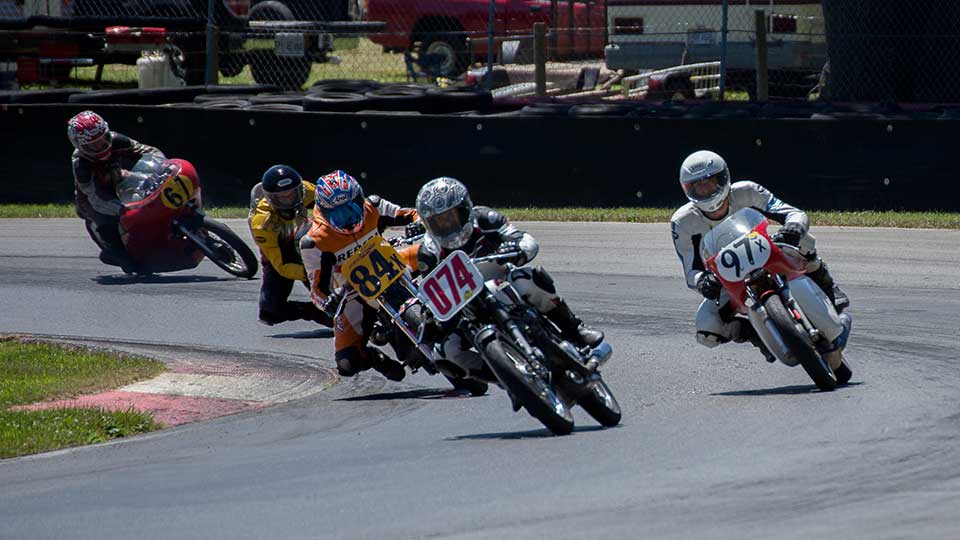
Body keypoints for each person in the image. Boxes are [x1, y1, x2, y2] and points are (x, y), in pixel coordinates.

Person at [414, 176, 603, 379]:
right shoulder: (428, 251)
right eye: (437, 221)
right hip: (467, 308)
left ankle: (575, 329)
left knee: (529, 279)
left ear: (464, 209)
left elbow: (524, 239)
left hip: (503, 281)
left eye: (449, 216)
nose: (445, 224)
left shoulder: (485, 217)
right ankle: (505, 377)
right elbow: (432, 292)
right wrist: (431, 317)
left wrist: (515, 249)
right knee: (445, 352)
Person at [670, 149, 849, 356]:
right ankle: (755, 334)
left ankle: (827, 284)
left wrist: (793, 227)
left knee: (803, 239)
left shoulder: (747, 190)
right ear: (688, 189)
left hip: (766, 250)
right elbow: (691, 271)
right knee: (706, 328)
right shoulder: (682, 222)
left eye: (710, 181)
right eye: (698, 185)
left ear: (723, 178)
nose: (705, 188)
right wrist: (702, 281)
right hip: (727, 276)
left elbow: (793, 213)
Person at [299, 170, 419, 382]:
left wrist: (419, 223)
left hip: (393, 264)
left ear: (360, 198)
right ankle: (373, 358)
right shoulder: (314, 242)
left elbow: (412, 214)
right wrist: (328, 302)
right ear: (325, 212)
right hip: (354, 292)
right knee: (347, 363)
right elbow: (317, 289)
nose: (349, 218)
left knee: (432, 252)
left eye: (352, 208)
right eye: (338, 214)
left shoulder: (374, 206)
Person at [68, 110, 164, 272]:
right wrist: (123, 209)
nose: (101, 146)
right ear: (80, 146)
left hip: (118, 178)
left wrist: (163, 165)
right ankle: (116, 251)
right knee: (103, 218)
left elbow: (149, 151)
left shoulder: (116, 140)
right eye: (93, 145)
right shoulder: (81, 164)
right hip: (94, 197)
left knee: (150, 183)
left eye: (103, 139)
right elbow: (95, 198)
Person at [248, 164, 332, 328]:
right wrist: (315, 273)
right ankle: (316, 311)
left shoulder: (307, 190)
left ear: (299, 190)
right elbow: (281, 266)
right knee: (270, 312)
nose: (289, 200)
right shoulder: (262, 224)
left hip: (311, 241)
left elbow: (334, 202)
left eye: (292, 194)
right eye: (282, 197)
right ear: (271, 199)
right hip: (282, 255)